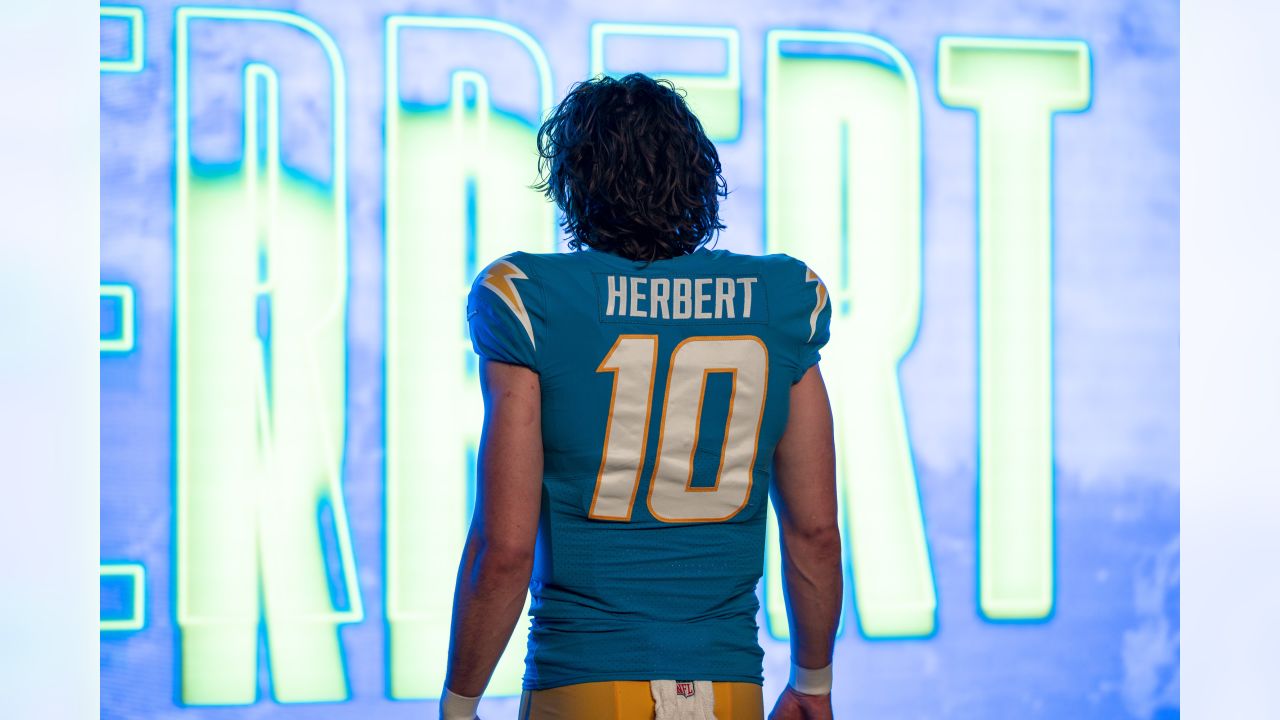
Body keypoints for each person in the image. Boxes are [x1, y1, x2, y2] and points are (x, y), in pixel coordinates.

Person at [440, 73, 843, 720]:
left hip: (586, 684)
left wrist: (459, 706)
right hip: (728, 689)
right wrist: (813, 683)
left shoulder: (529, 298)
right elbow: (815, 529)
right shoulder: (783, 298)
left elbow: (505, 546)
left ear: (574, 181)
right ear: (696, 177)